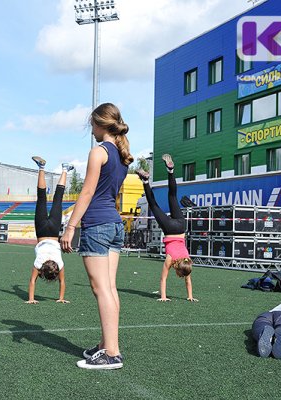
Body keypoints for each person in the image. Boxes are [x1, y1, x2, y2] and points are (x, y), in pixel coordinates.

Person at [61, 103, 132, 370]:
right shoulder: (122, 157)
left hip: (97, 225)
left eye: (92, 125)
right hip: (114, 225)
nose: (91, 130)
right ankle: (108, 345)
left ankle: (111, 353)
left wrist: (70, 228)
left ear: (101, 124)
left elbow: (87, 193)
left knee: (101, 289)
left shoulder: (98, 152)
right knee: (110, 288)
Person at [135, 154, 196, 302]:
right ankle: (145, 181)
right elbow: (163, 279)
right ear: (179, 269)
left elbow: (188, 280)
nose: (182, 276)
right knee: (154, 205)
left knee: (172, 196)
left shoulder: (187, 261)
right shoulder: (170, 260)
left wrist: (190, 296)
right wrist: (163, 297)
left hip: (181, 226)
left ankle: (171, 171)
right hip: (169, 229)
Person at [26, 156, 74, 305]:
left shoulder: (59, 263)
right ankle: (41, 167)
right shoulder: (38, 263)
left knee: (58, 199)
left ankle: (65, 169)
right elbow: (32, 281)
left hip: (53, 231)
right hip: (41, 230)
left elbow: (62, 281)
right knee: (41, 198)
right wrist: (31, 299)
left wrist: (61, 297)